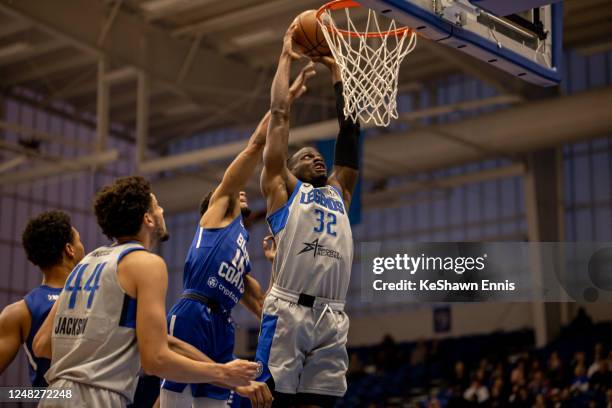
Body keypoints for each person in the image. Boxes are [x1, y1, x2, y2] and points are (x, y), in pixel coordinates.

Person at [160, 63, 315, 408]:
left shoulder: (240, 249)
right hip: (193, 313)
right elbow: (255, 145)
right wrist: (282, 104)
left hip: (222, 325)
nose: (243, 194)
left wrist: (299, 337)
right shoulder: (218, 209)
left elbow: (263, 303)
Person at [33, 176, 259, 407]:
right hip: (97, 396)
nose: (162, 211)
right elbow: (156, 360)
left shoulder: (84, 264)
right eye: (157, 206)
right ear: (148, 219)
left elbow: (41, 344)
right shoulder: (146, 264)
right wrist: (222, 374)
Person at [255, 22, 361, 408]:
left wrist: (338, 73)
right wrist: (286, 55)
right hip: (288, 312)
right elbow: (280, 115)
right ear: (289, 167)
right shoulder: (283, 190)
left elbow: (349, 133)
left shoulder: (340, 191)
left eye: (319, 155)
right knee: (271, 402)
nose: (316, 156)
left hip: (332, 315)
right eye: (304, 155)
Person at [0, 211, 85, 386]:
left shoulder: (18, 312)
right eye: (79, 241)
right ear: (69, 249)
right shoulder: (96, 298)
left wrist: (16, 395)